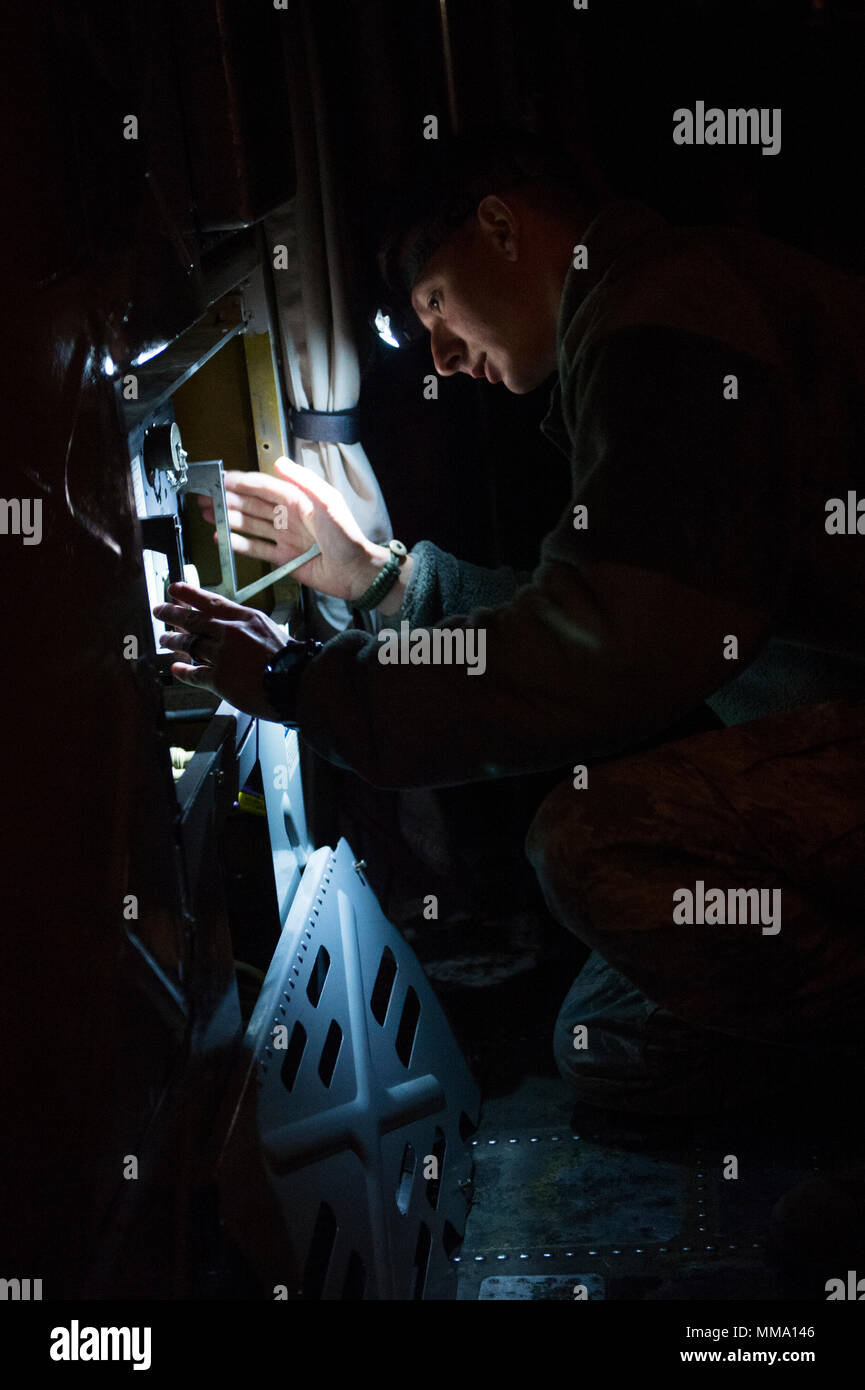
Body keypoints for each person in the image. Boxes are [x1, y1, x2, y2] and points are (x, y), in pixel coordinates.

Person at [154, 129, 865, 1116]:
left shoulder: (665, 304)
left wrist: (297, 684)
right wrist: (376, 581)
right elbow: (615, 609)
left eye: (434, 306)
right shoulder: (645, 306)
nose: (442, 355)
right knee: (614, 1044)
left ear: (499, 224)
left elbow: (605, 649)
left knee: (589, 845)